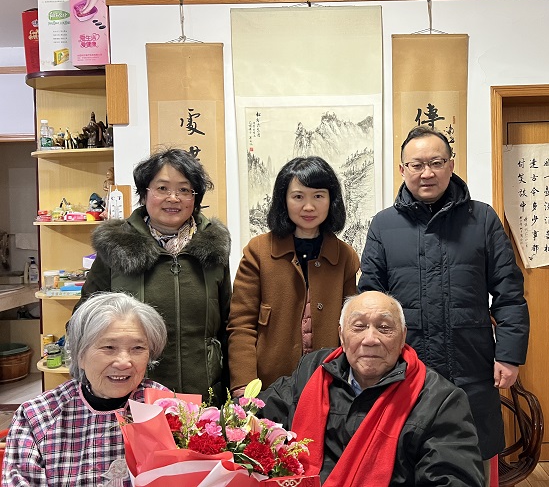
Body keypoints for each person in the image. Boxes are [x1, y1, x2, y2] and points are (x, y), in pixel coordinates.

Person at [358, 126, 530, 484]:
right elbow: (370, 301)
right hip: (405, 367)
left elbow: (509, 293)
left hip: (471, 363)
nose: (427, 172)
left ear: (451, 165)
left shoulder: (482, 219)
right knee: (406, 458)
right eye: (417, 164)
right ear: (402, 170)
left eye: (436, 163)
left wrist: (509, 355)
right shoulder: (384, 225)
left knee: (473, 457)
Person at [258, 291, 484, 487]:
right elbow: (253, 420)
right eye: (359, 327)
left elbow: (454, 479)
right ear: (342, 335)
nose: (370, 339)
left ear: (403, 336)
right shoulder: (312, 371)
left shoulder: (441, 400)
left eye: (384, 328)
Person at [75, 148, 232, 402]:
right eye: (162, 188)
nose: (173, 198)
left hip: (204, 391)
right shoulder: (116, 246)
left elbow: (228, 325)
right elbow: (82, 322)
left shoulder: (213, 249)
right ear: (144, 193)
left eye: (184, 190)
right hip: (132, 393)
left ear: (195, 198)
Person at [3, 292, 169, 486]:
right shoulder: (37, 417)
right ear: (79, 355)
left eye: (138, 348)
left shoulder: (167, 408)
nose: (124, 362)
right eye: (109, 347)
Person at [228, 156, 360, 395]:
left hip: (328, 385)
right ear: (284, 200)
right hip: (267, 386)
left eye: (318, 196)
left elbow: (351, 326)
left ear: (331, 200)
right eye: (298, 197)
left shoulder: (345, 256)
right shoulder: (258, 251)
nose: (308, 207)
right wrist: (243, 385)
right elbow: (241, 324)